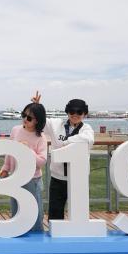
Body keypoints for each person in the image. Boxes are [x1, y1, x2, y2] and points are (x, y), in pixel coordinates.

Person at [32, 91, 95, 220]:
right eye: (72, 111)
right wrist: (37, 107)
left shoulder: (86, 129)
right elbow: (40, 122)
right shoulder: (56, 124)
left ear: (84, 114)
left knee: (79, 214)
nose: (75, 115)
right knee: (55, 212)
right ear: (67, 112)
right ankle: (54, 232)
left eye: (79, 112)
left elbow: (88, 139)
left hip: (78, 177)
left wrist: (67, 141)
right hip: (58, 177)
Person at [0, 103, 47, 232]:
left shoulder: (41, 137)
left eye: (29, 118)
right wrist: (5, 169)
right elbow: (9, 152)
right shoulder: (15, 130)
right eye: (24, 115)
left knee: (35, 214)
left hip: (33, 180)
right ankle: (17, 236)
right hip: (15, 178)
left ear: (38, 120)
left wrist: (27, 150)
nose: (25, 119)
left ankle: (37, 239)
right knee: (16, 212)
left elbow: (42, 161)